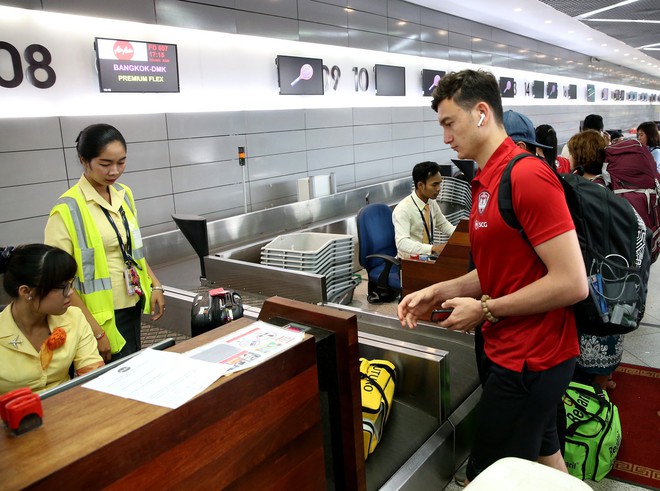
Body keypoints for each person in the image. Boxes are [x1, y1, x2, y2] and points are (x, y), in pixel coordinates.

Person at [398, 69, 588, 485]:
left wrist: (485, 309)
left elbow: (573, 282)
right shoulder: (485, 182)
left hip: (532, 358)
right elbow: (498, 271)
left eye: (450, 123)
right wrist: (439, 289)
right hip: (510, 350)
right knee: (543, 453)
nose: (445, 138)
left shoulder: (527, 176)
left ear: (482, 113)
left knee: (492, 474)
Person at [45, 124, 165, 362]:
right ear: (84, 160)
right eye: (105, 163)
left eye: (121, 162)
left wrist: (155, 285)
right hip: (96, 315)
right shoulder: (67, 210)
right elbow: (59, 281)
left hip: (131, 300)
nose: (114, 171)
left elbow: (133, 250)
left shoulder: (124, 194)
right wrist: (96, 331)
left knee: (133, 366)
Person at [0, 244, 104, 395]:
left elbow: (93, 375)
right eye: (62, 287)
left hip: (68, 409)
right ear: (26, 291)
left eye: (70, 284)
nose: (69, 293)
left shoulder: (74, 317)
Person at [567, 129, 623, 391]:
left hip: (586, 266)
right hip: (611, 268)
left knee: (589, 320)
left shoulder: (576, 188)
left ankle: (591, 383)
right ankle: (604, 376)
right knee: (606, 319)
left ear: (578, 155)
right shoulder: (610, 184)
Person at [392, 161, 456, 259]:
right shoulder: (403, 209)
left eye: (440, 184)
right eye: (434, 185)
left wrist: (464, 235)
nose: (439, 189)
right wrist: (433, 248)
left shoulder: (431, 202)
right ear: (420, 185)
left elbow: (444, 225)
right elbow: (402, 243)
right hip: (408, 262)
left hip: (427, 258)